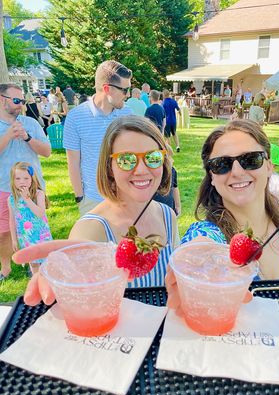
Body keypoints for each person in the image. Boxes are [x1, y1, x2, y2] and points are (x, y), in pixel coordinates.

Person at [14, 115, 180, 305]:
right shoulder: (91, 229)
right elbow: (78, 294)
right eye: (126, 160)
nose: (141, 170)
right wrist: (60, 276)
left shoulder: (167, 215)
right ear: (109, 167)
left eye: (153, 157)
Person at [166, 119, 279, 305]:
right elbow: (199, 248)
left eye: (250, 160)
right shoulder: (206, 233)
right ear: (212, 177)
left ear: (269, 166)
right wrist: (194, 258)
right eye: (222, 164)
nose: (237, 172)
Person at [63, 60, 133, 216]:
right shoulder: (76, 117)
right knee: (94, 241)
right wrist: (79, 196)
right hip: (92, 200)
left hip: (125, 197)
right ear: (107, 89)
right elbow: (73, 161)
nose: (128, 95)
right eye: (125, 90)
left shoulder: (128, 114)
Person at [0, 83, 51, 280]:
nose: (20, 105)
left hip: (33, 188)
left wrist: (27, 138)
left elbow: (47, 152)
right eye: (16, 100)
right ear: (2, 100)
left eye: (22, 101)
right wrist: (8, 136)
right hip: (4, 188)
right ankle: (6, 268)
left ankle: (37, 268)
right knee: (5, 231)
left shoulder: (30, 123)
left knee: (36, 228)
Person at [8, 162, 52, 274]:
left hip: (40, 234)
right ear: (13, 180)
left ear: (32, 179)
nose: (22, 182)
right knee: (33, 262)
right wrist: (14, 239)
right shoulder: (12, 199)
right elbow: (12, 221)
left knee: (46, 261)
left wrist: (27, 199)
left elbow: (40, 213)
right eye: (18, 178)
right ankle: (36, 282)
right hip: (25, 236)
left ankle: (48, 283)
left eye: (26, 178)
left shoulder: (38, 194)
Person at [154, 148, 181, 216]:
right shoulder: (154, 175)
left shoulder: (172, 171)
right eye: (170, 158)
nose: (173, 160)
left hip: (169, 209)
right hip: (156, 211)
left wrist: (178, 206)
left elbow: (175, 188)